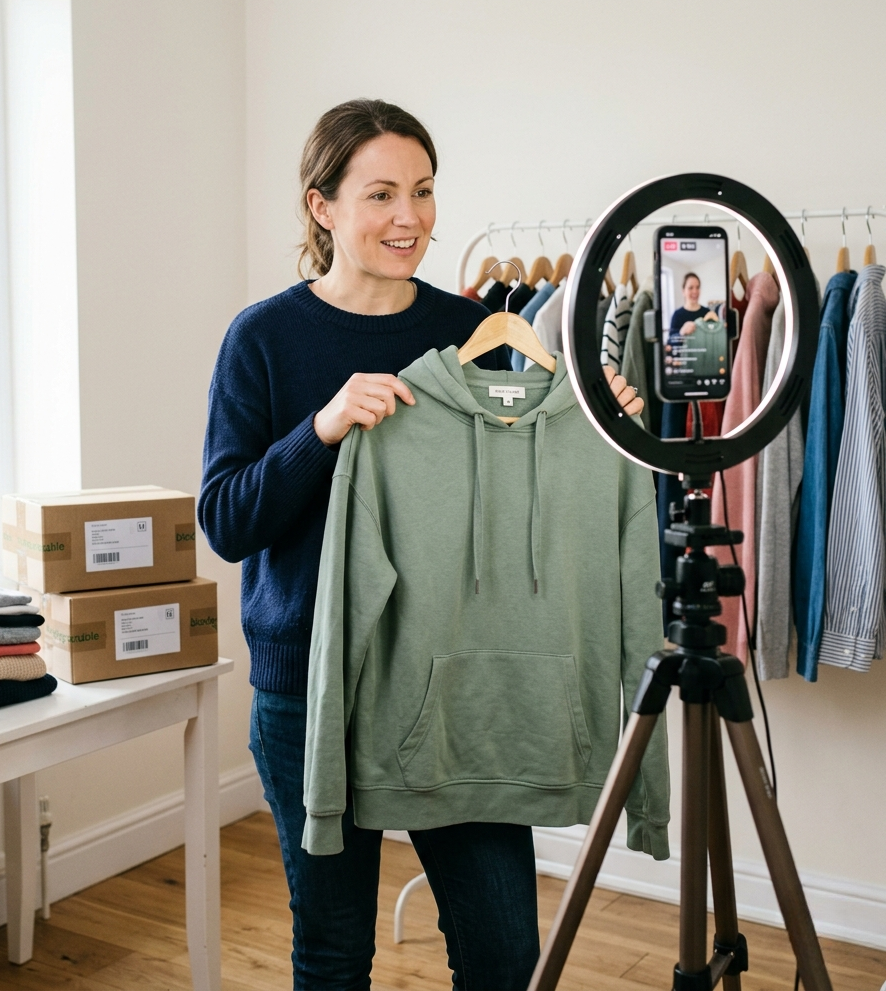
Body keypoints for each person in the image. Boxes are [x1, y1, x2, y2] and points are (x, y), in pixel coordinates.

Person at [199, 98, 642, 991]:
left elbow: (517, 483)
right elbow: (226, 519)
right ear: (323, 207)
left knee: (503, 948)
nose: (411, 218)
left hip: (452, 680)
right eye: (382, 194)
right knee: (332, 950)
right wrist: (319, 430)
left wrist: (601, 429)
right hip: (309, 691)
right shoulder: (264, 338)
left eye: (425, 192)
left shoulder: (469, 329)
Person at [668, 272, 719, 339]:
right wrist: (681, 332)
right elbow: (671, 341)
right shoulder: (677, 315)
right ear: (683, 291)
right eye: (690, 288)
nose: (695, 291)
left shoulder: (707, 312)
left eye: (697, 287)